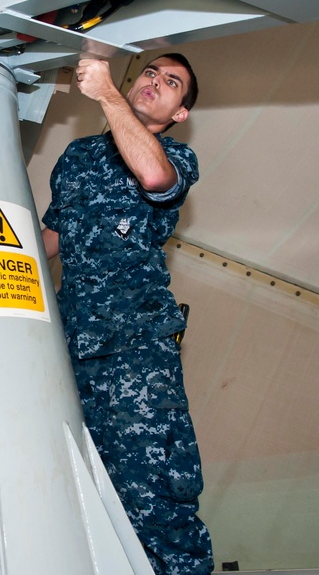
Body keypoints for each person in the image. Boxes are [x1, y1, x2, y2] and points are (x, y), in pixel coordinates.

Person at [41, 53, 213, 575]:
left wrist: (108, 95)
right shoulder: (77, 156)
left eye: (172, 83)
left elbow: (153, 175)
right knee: (80, 493)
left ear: (179, 112)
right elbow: (50, 238)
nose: (155, 83)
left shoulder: (177, 157)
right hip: (72, 350)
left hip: (135, 349)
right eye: (151, 74)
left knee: (154, 492)